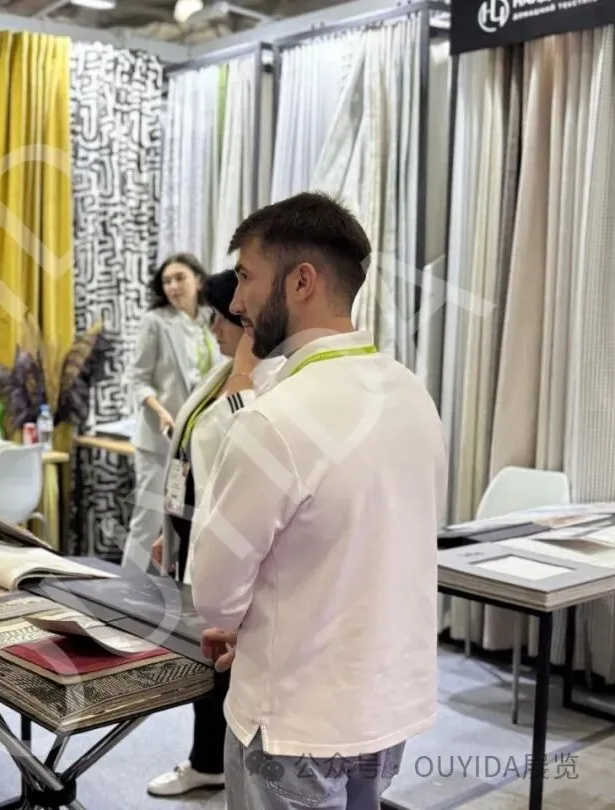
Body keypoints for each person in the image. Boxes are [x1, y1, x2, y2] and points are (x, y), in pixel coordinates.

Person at [190, 192, 447, 810]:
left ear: (301, 281)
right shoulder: (412, 393)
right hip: (384, 707)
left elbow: (214, 595)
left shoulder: (273, 419)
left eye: (246, 276)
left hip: (292, 721)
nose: (236, 301)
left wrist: (244, 625)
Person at [145, 270, 284, 798]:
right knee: (206, 658)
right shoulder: (222, 376)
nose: (213, 328)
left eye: (221, 318)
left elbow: (237, 485)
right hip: (194, 539)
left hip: (228, 548)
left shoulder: (262, 391)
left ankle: (217, 763)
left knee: (223, 662)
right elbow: (192, 462)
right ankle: (208, 759)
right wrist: (172, 531)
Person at [123, 253, 220, 572]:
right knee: (147, 522)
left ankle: (169, 591)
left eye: (180, 278)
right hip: (159, 439)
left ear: (199, 281)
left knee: (181, 521)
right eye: (167, 281)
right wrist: (162, 413)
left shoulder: (210, 320)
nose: (173, 286)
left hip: (194, 441)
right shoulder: (156, 322)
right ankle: (125, 589)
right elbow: (138, 379)